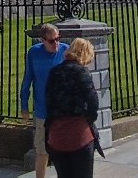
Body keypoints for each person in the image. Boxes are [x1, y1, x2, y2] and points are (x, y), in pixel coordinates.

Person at [43, 38, 102, 178]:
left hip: (57, 135)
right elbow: (93, 100)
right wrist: (89, 119)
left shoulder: (54, 72)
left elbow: (48, 100)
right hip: (78, 135)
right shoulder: (81, 72)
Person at [21, 23, 70, 178]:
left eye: (58, 38)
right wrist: (24, 106)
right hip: (42, 111)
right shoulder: (34, 53)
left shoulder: (66, 50)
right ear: (42, 40)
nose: (56, 43)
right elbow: (27, 79)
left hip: (61, 111)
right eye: (51, 41)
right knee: (42, 152)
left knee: (64, 152)